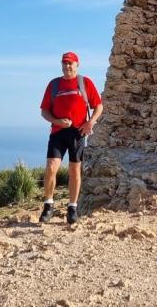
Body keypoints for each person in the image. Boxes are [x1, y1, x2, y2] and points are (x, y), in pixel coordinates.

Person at [38, 51, 103, 224]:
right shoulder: (54, 85)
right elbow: (44, 110)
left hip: (78, 132)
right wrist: (56, 121)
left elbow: (98, 106)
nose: (67, 66)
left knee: (75, 170)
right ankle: (48, 206)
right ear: (61, 65)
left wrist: (90, 123)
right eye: (64, 63)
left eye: (70, 63)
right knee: (51, 168)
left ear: (77, 65)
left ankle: (72, 208)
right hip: (58, 132)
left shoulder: (85, 82)